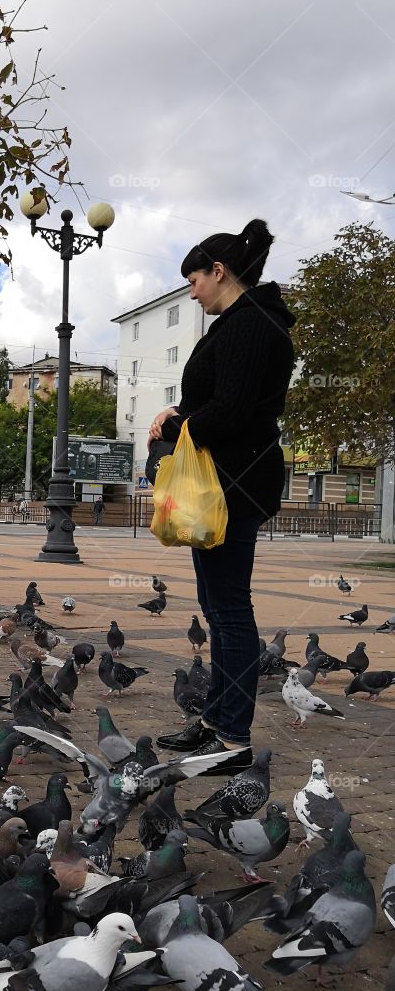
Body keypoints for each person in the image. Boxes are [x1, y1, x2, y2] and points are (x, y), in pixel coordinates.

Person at [148, 219, 294, 763]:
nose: (191, 293)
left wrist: (177, 425)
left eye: (194, 282)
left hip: (234, 483)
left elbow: (233, 411)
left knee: (229, 608)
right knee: (217, 605)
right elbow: (226, 400)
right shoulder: (241, 322)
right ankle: (216, 720)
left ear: (219, 271)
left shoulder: (251, 324)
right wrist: (182, 412)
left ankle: (233, 738)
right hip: (224, 482)